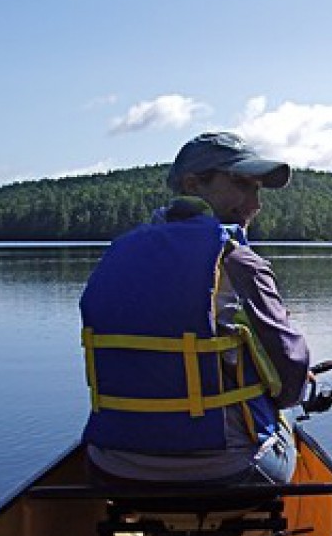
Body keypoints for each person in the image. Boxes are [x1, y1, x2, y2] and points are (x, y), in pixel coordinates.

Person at [80, 132, 310, 485]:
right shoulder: (240, 262)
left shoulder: (117, 254)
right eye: (242, 185)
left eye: (258, 189)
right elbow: (290, 374)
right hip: (231, 471)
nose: (255, 203)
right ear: (192, 184)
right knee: (286, 414)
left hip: (111, 467)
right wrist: (296, 390)